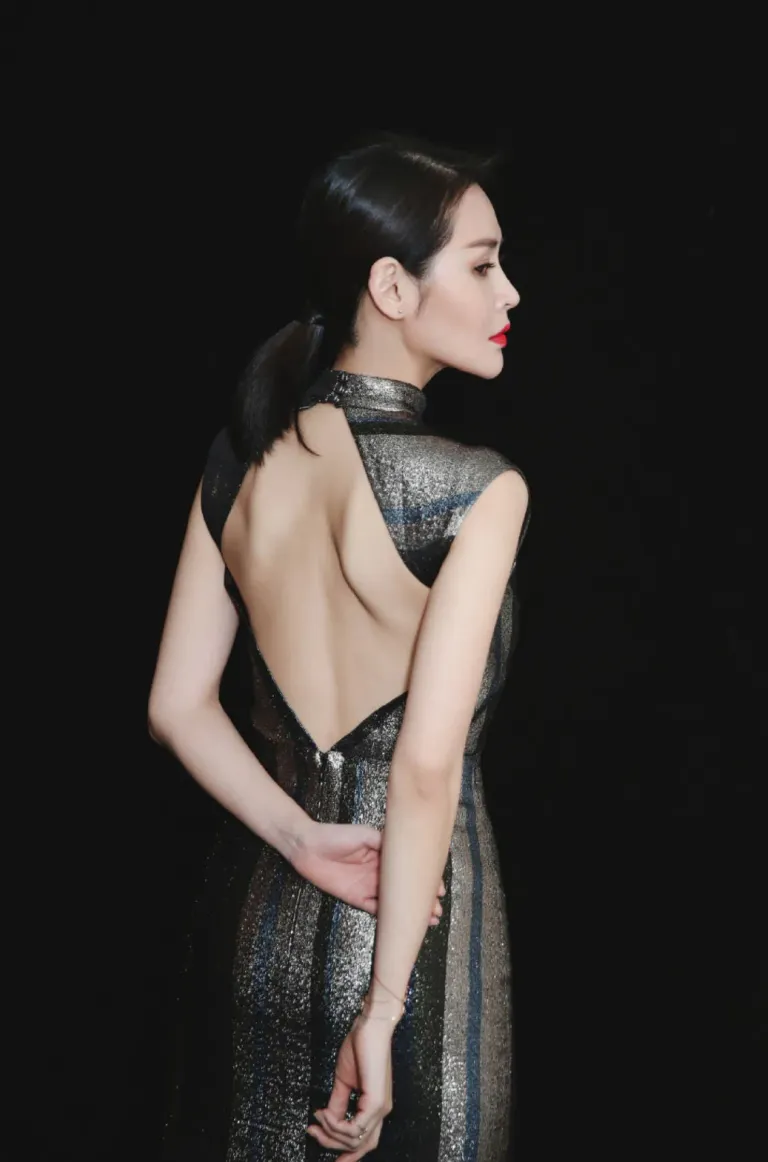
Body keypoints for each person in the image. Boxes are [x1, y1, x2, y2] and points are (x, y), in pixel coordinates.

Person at [149, 132, 530, 1162]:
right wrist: (383, 1006)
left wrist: (298, 837)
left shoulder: (239, 458)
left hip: (254, 920)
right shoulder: (478, 489)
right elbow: (422, 768)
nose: (510, 293)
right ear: (391, 287)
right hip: (418, 944)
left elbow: (176, 705)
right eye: (484, 265)